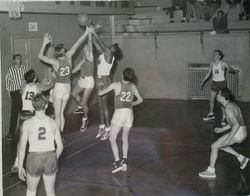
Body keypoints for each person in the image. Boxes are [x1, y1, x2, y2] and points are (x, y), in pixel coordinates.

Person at [38, 27, 94, 141]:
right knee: (62, 114)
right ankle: (61, 136)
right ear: (64, 51)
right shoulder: (69, 57)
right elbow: (77, 43)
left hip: (59, 88)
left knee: (57, 115)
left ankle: (58, 137)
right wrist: (86, 32)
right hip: (67, 88)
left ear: (56, 54)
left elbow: (40, 56)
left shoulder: (55, 62)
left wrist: (44, 43)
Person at [98, 67, 143, 173]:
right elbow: (140, 100)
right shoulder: (132, 86)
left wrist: (99, 87)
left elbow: (100, 94)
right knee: (125, 138)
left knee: (112, 139)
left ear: (122, 75)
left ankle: (117, 162)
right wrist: (133, 103)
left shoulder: (116, 85)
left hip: (119, 113)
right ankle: (125, 162)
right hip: (129, 114)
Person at [18, 93, 63, 196]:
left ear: (33, 106)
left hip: (34, 158)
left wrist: (20, 167)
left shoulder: (27, 124)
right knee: (50, 192)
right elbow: (60, 146)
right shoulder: (53, 123)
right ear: (46, 105)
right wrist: (54, 158)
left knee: (31, 191)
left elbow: (22, 147)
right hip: (50, 157)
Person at [199, 88, 249, 179]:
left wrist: (229, 139)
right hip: (242, 131)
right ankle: (242, 158)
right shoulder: (231, 105)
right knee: (217, 145)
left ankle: (211, 171)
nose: (217, 96)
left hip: (239, 132)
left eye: (218, 94)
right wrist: (222, 130)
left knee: (215, 146)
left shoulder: (228, 109)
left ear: (223, 97)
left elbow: (236, 125)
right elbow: (234, 123)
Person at [11, 69, 54, 173]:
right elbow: (49, 86)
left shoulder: (22, 87)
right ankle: (39, 161)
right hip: (32, 115)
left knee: (22, 140)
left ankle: (16, 163)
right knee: (35, 139)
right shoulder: (38, 87)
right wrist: (54, 78)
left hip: (23, 115)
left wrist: (36, 82)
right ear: (34, 78)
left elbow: (28, 84)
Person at [92, 31, 123, 140]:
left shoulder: (109, 55)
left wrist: (94, 32)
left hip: (105, 80)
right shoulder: (103, 54)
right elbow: (96, 43)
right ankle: (101, 127)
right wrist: (90, 33)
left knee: (104, 106)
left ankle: (108, 129)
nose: (110, 46)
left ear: (113, 51)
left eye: (112, 47)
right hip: (99, 79)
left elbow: (100, 42)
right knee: (99, 106)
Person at [201, 49, 237, 124]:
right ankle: (211, 114)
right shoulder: (212, 64)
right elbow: (208, 74)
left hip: (222, 84)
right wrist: (203, 81)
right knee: (211, 100)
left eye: (216, 54)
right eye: (214, 54)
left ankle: (224, 117)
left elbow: (229, 68)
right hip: (214, 83)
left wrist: (231, 69)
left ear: (219, 56)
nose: (214, 55)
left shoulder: (222, 63)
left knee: (222, 102)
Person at [71, 32, 95, 132]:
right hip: (81, 80)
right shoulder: (84, 58)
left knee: (84, 103)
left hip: (89, 81)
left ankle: (85, 120)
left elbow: (89, 42)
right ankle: (81, 106)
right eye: (85, 46)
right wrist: (70, 71)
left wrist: (89, 32)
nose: (85, 46)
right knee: (73, 94)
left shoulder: (90, 57)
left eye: (87, 47)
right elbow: (75, 70)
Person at [6, 54, 29, 140]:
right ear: (14, 60)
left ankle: (23, 132)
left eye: (20, 58)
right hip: (15, 94)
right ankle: (11, 133)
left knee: (24, 113)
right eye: (17, 59)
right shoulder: (10, 70)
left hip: (24, 92)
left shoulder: (24, 68)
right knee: (14, 114)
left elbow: (28, 79)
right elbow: (8, 85)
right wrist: (10, 97)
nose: (19, 60)